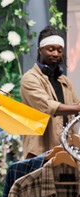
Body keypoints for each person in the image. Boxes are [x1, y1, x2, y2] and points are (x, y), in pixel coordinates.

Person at [20, 25, 80, 159]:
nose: (56, 54)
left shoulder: (64, 80)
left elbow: (76, 105)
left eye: (59, 50)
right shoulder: (29, 78)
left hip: (67, 149)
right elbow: (48, 106)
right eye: (51, 49)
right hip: (39, 152)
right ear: (40, 50)